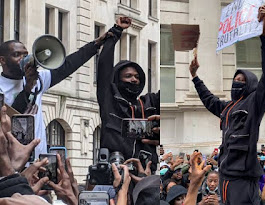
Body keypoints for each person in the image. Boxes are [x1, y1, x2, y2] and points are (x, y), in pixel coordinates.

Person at [189, 6, 265, 205]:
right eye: (235, 79)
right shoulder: (228, 107)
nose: (236, 82)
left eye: (242, 80)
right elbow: (209, 100)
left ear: (251, 86)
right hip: (225, 177)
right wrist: (195, 76)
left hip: (243, 180)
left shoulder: (255, 102)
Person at [0, 34, 108, 159]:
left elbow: (68, 65)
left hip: (38, 160)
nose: (23, 58)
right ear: (2, 60)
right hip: (12, 162)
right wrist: (28, 89)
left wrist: (95, 45)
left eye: (25, 54)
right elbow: (11, 120)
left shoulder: (38, 78)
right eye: (16, 55)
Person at [96, 17, 160, 172]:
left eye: (137, 77)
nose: (133, 79)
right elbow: (104, 68)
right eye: (128, 76)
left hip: (145, 173)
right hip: (116, 170)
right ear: (118, 79)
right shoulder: (109, 100)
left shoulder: (149, 103)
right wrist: (116, 32)